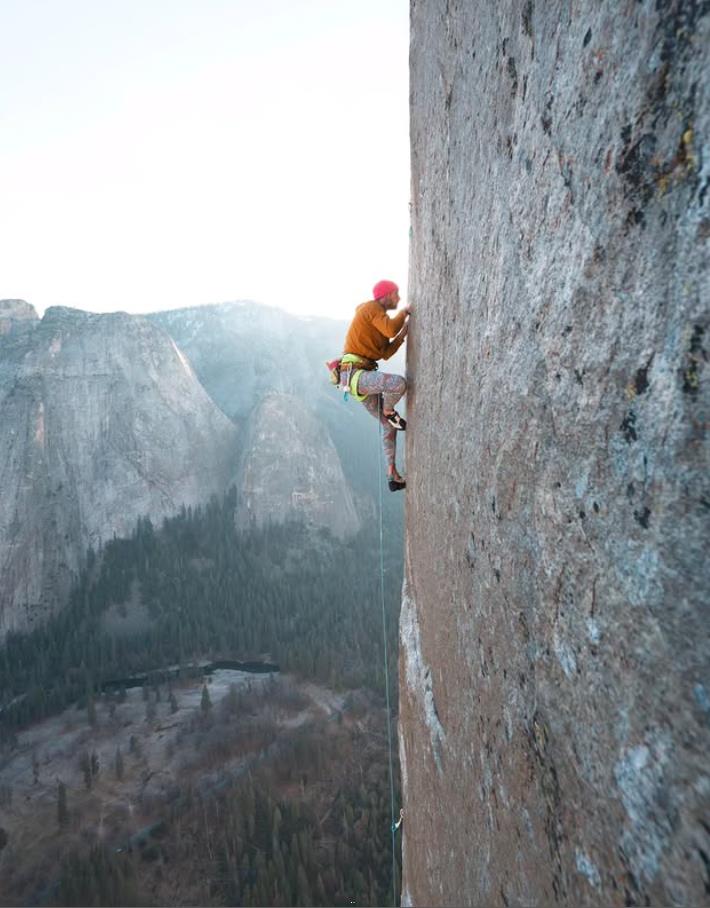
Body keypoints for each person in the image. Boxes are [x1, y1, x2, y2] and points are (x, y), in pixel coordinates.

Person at [341, 279, 411, 491]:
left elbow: (385, 353)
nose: (398, 298)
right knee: (398, 384)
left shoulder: (376, 321)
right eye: (395, 294)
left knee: (388, 425)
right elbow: (390, 329)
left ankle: (393, 474)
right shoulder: (371, 308)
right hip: (358, 375)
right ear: (385, 295)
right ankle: (390, 409)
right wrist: (405, 312)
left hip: (355, 382)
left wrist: (402, 335)